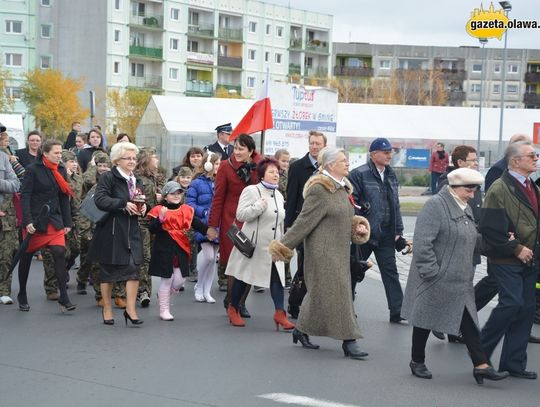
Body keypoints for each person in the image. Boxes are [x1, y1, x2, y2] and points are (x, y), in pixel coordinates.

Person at [401, 168, 509, 384]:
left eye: (475, 189)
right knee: (424, 320)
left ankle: (481, 365)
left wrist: (501, 240)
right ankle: (417, 361)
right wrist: (432, 272)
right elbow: (423, 243)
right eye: (469, 189)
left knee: (468, 323)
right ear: (454, 187)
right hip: (436, 277)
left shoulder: (465, 207)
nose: (472, 194)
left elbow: (473, 239)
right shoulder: (435, 206)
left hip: (460, 280)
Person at [270, 147, 371, 358]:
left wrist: (357, 226)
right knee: (342, 294)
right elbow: (303, 223)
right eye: (344, 160)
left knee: (318, 294)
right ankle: (349, 341)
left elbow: (342, 217)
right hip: (322, 252)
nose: (348, 163)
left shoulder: (342, 188)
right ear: (331, 165)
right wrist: (283, 247)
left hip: (340, 250)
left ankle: (301, 329)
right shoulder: (320, 190)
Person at [479, 140, 539, 379]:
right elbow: (490, 228)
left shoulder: (530, 186)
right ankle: (479, 357)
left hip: (530, 260)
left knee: (525, 309)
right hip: (506, 260)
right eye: (531, 156)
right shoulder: (499, 188)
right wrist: (516, 248)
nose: (535, 159)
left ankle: (513, 363)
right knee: (511, 303)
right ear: (515, 161)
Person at [224, 157, 294, 330]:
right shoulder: (252, 191)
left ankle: (280, 313)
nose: (275, 175)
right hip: (253, 245)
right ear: (262, 175)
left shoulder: (278, 194)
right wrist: (257, 207)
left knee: (277, 279)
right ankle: (233, 308)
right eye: (271, 172)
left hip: (272, 246)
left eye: (277, 172)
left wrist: (282, 244)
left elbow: (279, 221)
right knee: (243, 278)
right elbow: (240, 215)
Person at [87, 142, 146, 326]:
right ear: (117, 160)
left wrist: (144, 207)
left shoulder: (137, 179)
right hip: (112, 231)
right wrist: (122, 204)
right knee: (108, 273)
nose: (132, 161)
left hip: (132, 231)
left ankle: (131, 310)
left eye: (134, 158)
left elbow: (142, 200)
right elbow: (100, 200)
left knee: (133, 270)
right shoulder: (109, 178)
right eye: (127, 158)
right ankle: (107, 308)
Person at [348, 137, 406, 323]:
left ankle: (398, 311)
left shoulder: (391, 174)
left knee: (391, 272)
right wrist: (360, 215)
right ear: (374, 155)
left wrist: (398, 231)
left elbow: (395, 204)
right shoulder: (358, 174)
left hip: (386, 233)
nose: (390, 155)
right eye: (386, 152)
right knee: (354, 270)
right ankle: (346, 309)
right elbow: (351, 201)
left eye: (391, 152)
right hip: (364, 234)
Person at [17, 139, 75, 313]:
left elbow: (64, 196)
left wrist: (67, 222)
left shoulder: (61, 169)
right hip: (35, 221)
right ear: (45, 153)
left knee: (59, 252)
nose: (60, 156)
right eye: (56, 153)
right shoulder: (32, 170)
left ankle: (64, 296)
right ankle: (22, 293)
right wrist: (27, 221)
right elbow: (25, 196)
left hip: (55, 219)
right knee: (26, 258)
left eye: (60, 152)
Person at [207, 134, 262, 315]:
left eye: (241, 149)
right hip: (231, 220)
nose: (237, 152)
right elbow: (218, 198)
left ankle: (242, 302)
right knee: (235, 263)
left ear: (250, 151)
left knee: (249, 261)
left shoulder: (259, 166)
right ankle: (232, 301)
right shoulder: (225, 166)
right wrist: (212, 226)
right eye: (235, 148)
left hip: (252, 219)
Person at [147, 181, 209, 321]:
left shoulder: (186, 209)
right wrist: (161, 219)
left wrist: (209, 231)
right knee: (167, 279)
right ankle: (164, 310)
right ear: (165, 196)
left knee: (180, 280)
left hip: (181, 247)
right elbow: (152, 229)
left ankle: (164, 295)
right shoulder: (158, 209)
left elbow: (196, 223)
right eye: (172, 193)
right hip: (164, 248)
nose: (176, 196)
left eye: (179, 193)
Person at [284, 131, 326, 317]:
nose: (314, 147)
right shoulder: (298, 166)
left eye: (318, 144)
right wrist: (289, 226)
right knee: (304, 266)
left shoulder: (328, 167)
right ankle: (295, 302)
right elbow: (291, 196)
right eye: (312, 143)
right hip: (303, 222)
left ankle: (314, 305)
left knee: (319, 266)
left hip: (323, 225)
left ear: (324, 146)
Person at [186, 151, 221, 303]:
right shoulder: (196, 183)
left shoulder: (221, 182)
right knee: (208, 256)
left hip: (219, 224)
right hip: (204, 225)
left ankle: (207, 291)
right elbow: (190, 204)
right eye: (217, 163)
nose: (220, 166)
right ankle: (199, 286)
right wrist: (204, 211)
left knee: (213, 260)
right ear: (209, 165)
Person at [134, 147, 166, 307]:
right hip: (141, 223)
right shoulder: (138, 179)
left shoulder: (152, 178)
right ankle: (143, 291)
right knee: (144, 258)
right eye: (154, 156)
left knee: (148, 258)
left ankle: (142, 289)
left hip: (152, 223)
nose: (157, 159)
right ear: (146, 160)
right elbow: (138, 202)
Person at [0, 148, 20, 305]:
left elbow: (15, 184)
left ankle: (4, 290)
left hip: (6, 217)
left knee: (7, 255)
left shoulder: (3, 158)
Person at [274, 149, 291, 287]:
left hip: (284, 212)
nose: (285, 164)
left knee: (285, 243)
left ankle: (286, 276)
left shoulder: (289, 175)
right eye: (283, 161)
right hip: (273, 211)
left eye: (287, 161)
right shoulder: (272, 174)